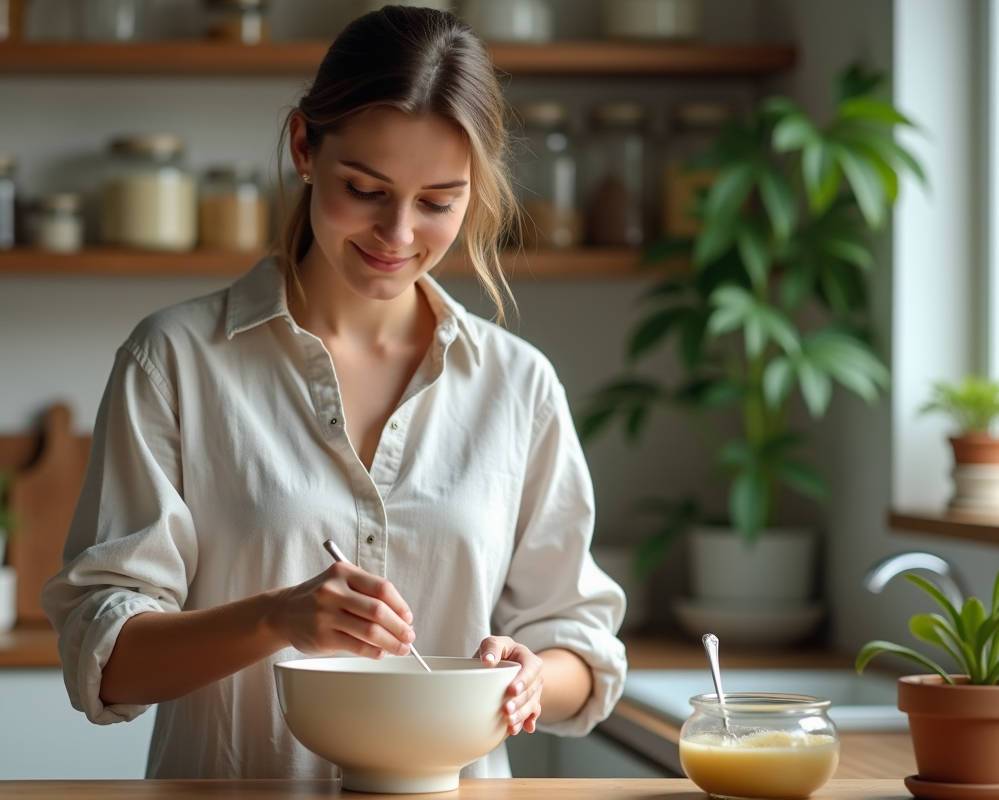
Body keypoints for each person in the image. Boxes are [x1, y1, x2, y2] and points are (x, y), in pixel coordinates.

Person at [41, 5, 626, 781]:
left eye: (439, 202)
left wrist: (530, 678)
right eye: (366, 188)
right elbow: (105, 661)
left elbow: (582, 649)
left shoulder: (518, 385)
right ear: (304, 148)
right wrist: (276, 616)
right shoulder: (174, 361)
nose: (398, 233)